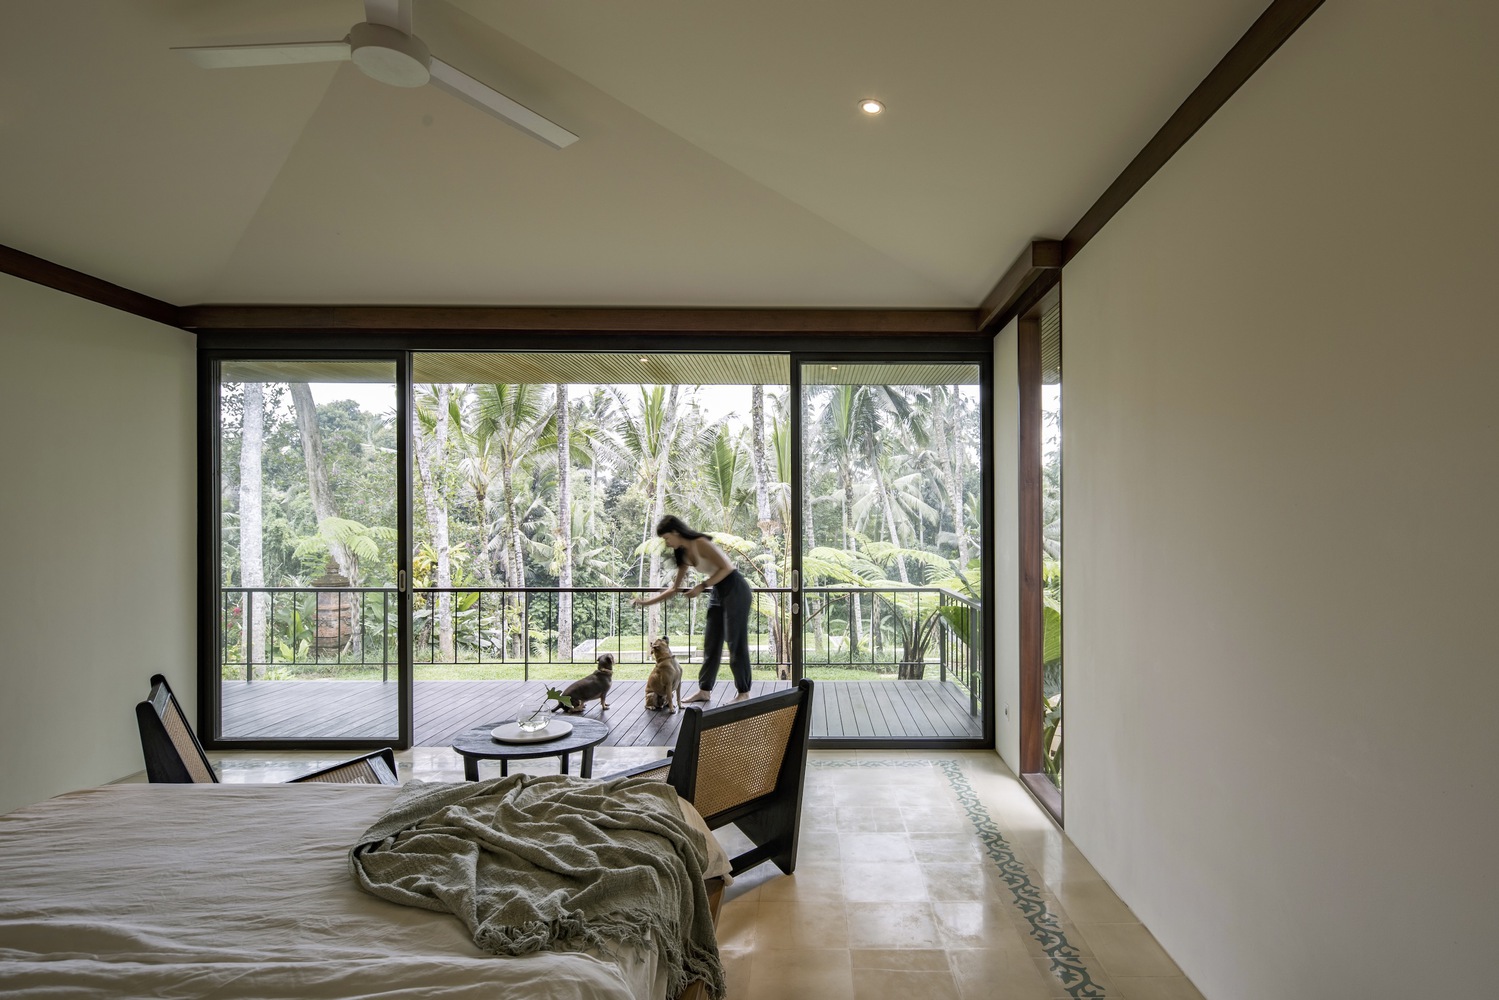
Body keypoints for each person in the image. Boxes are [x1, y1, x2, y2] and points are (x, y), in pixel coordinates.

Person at [632, 514, 752, 703]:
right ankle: (704, 691)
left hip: (735, 588)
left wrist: (701, 586)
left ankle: (743, 693)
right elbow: (674, 588)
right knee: (711, 644)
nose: (667, 543)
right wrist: (645, 602)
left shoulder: (700, 542)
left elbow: (727, 568)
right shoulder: (683, 553)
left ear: (675, 532)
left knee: (735, 643)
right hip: (718, 591)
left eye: (666, 538)